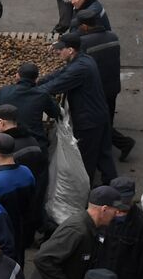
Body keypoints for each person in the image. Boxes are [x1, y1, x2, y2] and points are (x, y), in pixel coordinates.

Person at [36, 32, 116, 186]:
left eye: (60, 49)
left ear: (71, 50)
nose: (57, 52)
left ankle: (84, 193)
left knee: (87, 159)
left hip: (89, 120)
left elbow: (56, 86)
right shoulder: (83, 59)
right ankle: (112, 184)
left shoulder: (79, 69)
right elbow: (59, 74)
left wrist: (30, 91)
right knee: (103, 154)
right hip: (99, 113)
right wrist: (38, 81)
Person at [76, 9, 133, 161]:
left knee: (99, 121)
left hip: (97, 89)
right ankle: (113, 144)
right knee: (107, 117)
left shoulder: (84, 43)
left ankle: (121, 143)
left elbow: (79, 65)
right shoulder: (113, 36)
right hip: (112, 86)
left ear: (85, 27)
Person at [0, 64, 60, 145]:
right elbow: (55, 113)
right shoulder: (42, 94)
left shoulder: (4, 91)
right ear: (36, 79)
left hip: (8, 144)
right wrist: (51, 98)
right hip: (36, 144)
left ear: (17, 76)